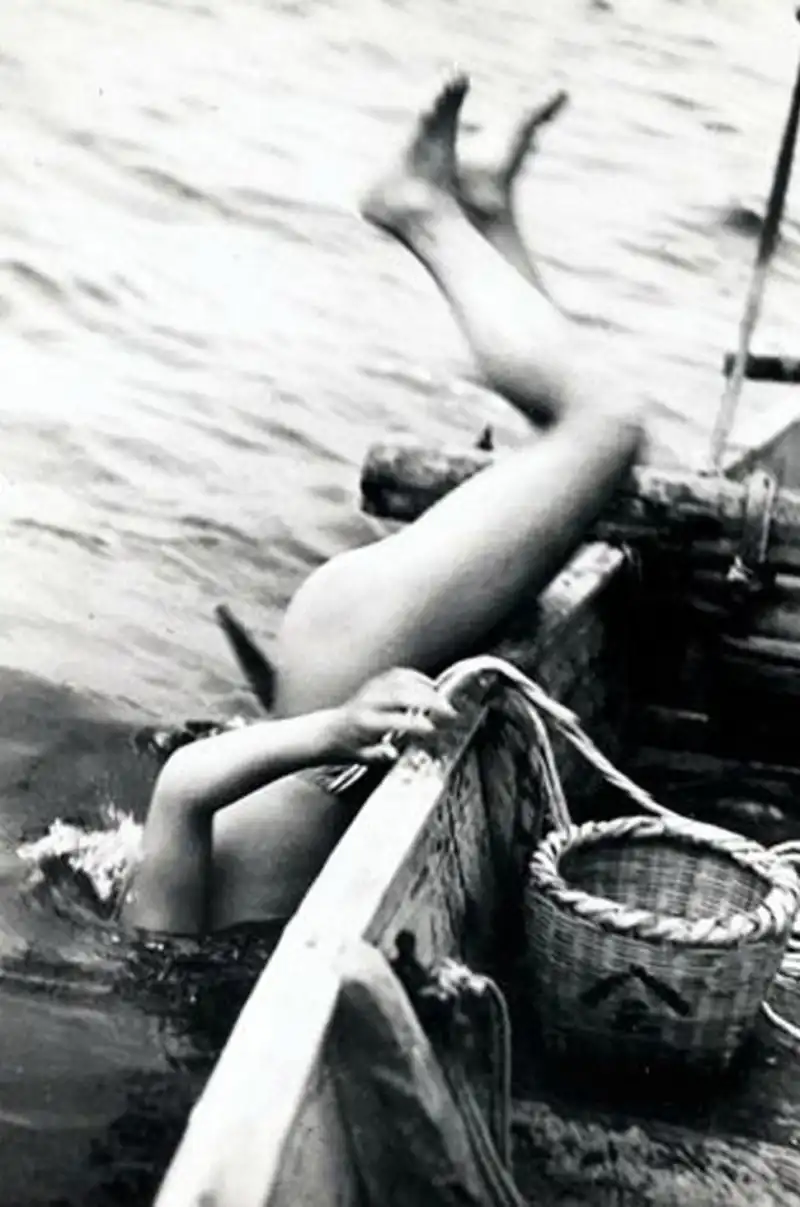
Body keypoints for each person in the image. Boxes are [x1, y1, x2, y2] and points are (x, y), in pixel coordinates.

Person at [113, 76, 644, 935]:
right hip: (357, 673)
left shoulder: (162, 942)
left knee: (604, 424)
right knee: (573, 461)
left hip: (350, 659)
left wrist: (338, 726)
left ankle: (419, 210)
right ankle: (484, 211)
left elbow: (182, 787)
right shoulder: (227, 967)